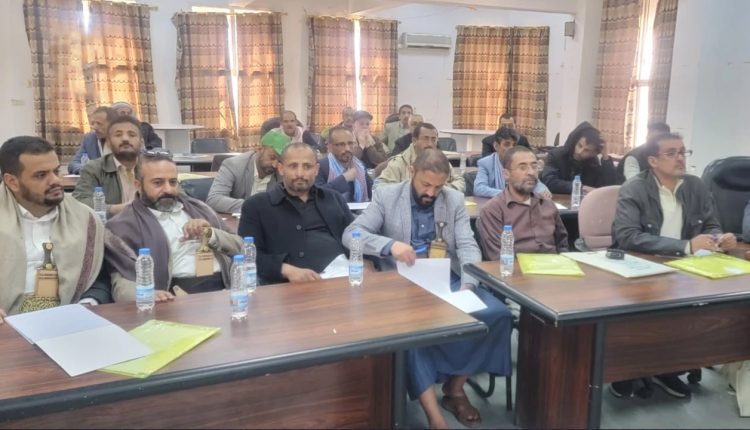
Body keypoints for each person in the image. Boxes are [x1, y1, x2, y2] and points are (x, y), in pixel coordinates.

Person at [342, 148, 512, 429]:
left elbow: (467, 245)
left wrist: (468, 284)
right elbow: (351, 235)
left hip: (446, 277)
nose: (431, 192)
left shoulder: (453, 199)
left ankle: (455, 389)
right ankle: (434, 417)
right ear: (412, 172)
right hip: (403, 282)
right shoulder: (387, 195)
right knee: (412, 330)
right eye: (425, 184)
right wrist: (390, 245)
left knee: (497, 314)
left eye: (438, 186)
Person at [611, 132, 737, 398]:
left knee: (702, 309)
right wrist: (686, 246)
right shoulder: (634, 188)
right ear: (653, 161)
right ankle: (626, 368)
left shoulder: (695, 186)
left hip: (686, 267)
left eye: (683, 152)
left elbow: (711, 224)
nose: (680, 158)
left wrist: (719, 238)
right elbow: (627, 236)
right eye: (671, 153)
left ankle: (668, 367)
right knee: (647, 314)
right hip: (640, 266)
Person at [105, 150, 243, 301]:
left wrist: (210, 234)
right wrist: (146, 294)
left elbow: (240, 246)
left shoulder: (200, 209)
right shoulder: (123, 226)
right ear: (138, 185)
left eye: (172, 182)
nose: (168, 190)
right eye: (158, 183)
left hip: (226, 288)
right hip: (175, 296)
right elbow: (121, 285)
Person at [0, 136, 107, 322]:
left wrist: (87, 305)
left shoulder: (84, 218)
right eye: (41, 175)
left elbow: (100, 277)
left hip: (71, 320)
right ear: (12, 182)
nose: (55, 180)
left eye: (56, 171)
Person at [238, 143, 355, 285]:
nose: (300, 173)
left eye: (307, 167)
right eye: (293, 166)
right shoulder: (257, 206)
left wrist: (364, 261)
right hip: (290, 286)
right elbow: (248, 255)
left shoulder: (333, 198)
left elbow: (354, 238)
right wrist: (285, 269)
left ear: (316, 170)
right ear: (281, 169)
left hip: (345, 277)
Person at [478, 146, 568, 259]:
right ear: (506, 174)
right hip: (517, 268)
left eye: (534, 166)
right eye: (523, 167)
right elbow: (497, 257)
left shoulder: (547, 204)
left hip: (554, 266)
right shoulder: (493, 210)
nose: (531, 172)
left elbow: (562, 245)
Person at [72, 115, 142, 218]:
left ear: (141, 141)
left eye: (132, 135)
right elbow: (79, 201)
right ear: (108, 142)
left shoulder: (152, 168)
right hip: (110, 225)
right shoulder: (93, 169)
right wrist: (116, 209)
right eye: (118, 135)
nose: (125, 139)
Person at [205, 130, 290, 214]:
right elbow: (214, 199)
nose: (275, 165)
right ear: (259, 149)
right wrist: (254, 206)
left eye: (280, 161)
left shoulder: (283, 171)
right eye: (272, 158)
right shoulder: (233, 165)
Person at [377, 123, 465, 192]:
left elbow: (460, 181)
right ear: (414, 141)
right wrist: (410, 190)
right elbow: (380, 187)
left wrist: (445, 189)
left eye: (433, 140)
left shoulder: (441, 162)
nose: (430, 144)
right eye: (425, 139)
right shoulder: (399, 162)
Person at [540, 121, 619, 194]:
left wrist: (605, 156)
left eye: (587, 150)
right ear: (575, 141)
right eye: (579, 145)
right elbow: (549, 182)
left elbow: (608, 187)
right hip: (556, 200)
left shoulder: (592, 163)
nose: (579, 152)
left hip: (582, 203)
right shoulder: (556, 155)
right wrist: (581, 188)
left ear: (593, 153)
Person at [474, 126, 551, 199]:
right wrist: (509, 195)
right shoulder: (486, 163)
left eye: (514, 145)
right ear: (496, 146)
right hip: (496, 203)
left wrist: (543, 191)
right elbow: (479, 188)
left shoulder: (522, 161)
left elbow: (536, 183)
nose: (511, 148)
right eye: (507, 144)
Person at [315, 126, 373, 203]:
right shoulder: (321, 166)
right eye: (341, 144)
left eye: (350, 143)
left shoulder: (359, 165)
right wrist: (344, 178)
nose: (347, 149)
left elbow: (372, 191)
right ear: (329, 146)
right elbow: (317, 195)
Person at [67, 106, 117, 174]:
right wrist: (88, 170)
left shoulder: (122, 141)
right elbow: (73, 164)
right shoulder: (89, 139)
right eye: (93, 123)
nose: (94, 127)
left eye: (99, 123)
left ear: (112, 124)